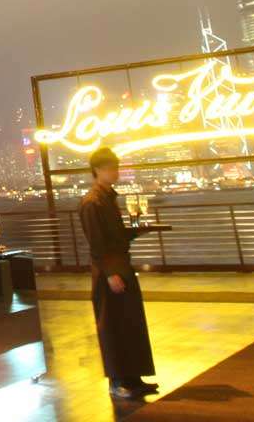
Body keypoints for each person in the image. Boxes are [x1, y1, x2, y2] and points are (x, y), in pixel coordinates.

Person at [80, 147, 158, 399]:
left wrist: (138, 229)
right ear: (98, 170)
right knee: (113, 325)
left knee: (130, 322)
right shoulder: (93, 202)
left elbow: (114, 236)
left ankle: (133, 377)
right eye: (112, 168)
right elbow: (97, 244)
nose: (116, 172)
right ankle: (118, 381)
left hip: (120, 266)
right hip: (109, 271)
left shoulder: (107, 199)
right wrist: (111, 273)